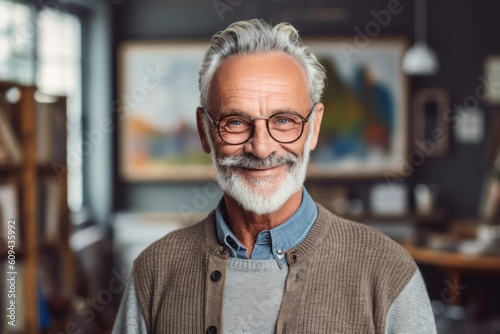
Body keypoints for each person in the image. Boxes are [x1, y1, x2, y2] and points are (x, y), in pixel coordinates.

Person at [113, 19, 436, 334]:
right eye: (236, 122)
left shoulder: (387, 271)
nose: (262, 148)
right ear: (204, 130)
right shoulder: (154, 270)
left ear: (314, 127)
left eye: (283, 120)